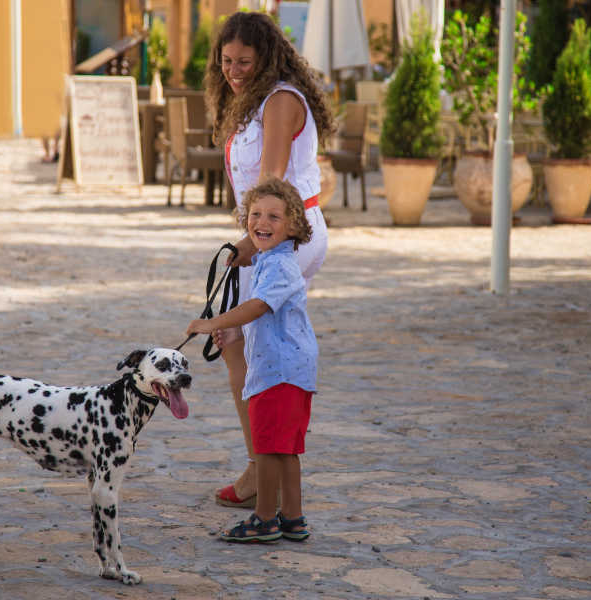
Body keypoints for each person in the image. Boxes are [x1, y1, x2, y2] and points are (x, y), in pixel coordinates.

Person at [204, 10, 334, 508]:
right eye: (227, 61)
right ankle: (261, 465)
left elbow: (272, 181)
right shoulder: (251, 102)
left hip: (287, 236)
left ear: (266, 58)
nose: (234, 70)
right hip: (266, 233)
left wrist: (248, 241)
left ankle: (268, 476)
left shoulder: (280, 101)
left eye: (244, 61)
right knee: (238, 345)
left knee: (256, 350)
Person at [187, 177, 316, 542]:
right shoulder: (271, 261)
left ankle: (264, 519)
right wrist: (234, 334)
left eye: (275, 217)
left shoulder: (277, 266)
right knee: (286, 449)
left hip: (277, 372)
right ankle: (292, 517)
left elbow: (257, 306)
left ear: (293, 226)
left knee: (268, 448)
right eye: (255, 214)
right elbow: (269, 315)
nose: (262, 222)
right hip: (292, 369)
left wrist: (214, 321)